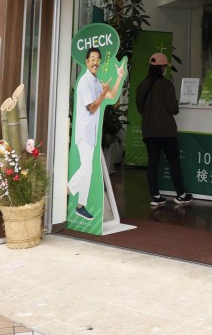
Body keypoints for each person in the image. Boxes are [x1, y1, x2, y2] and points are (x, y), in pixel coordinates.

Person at [67, 47, 126, 220]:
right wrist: (101, 94)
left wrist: (120, 77)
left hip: (91, 134)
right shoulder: (85, 82)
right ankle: (66, 190)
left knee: (88, 170)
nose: (95, 62)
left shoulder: (96, 81)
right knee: (86, 169)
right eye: (92, 58)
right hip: (84, 132)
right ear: (86, 62)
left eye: (98, 59)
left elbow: (113, 95)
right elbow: (92, 107)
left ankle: (80, 205)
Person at [135, 53, 192, 208]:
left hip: (149, 131)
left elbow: (140, 108)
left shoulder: (141, 86)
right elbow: (173, 109)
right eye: (165, 67)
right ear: (162, 68)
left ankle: (155, 196)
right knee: (174, 162)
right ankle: (181, 195)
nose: (166, 69)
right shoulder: (167, 85)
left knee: (153, 163)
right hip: (166, 132)